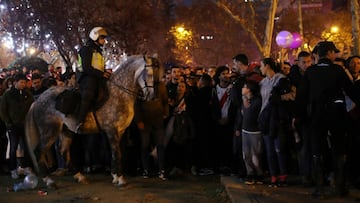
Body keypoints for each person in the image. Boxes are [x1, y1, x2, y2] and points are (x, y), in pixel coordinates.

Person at [295, 41, 360, 198]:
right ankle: (339, 186)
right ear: (330, 53)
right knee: (339, 150)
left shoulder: (310, 72)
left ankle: (320, 189)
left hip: (316, 117)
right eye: (334, 52)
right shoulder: (337, 70)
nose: (335, 55)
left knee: (317, 151)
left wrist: (299, 118)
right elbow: (351, 91)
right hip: (336, 115)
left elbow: (301, 98)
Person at [76, 27, 112, 132]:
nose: (104, 41)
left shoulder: (98, 51)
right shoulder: (86, 49)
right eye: (102, 38)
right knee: (89, 93)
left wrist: (106, 71)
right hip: (87, 77)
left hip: (97, 77)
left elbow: (98, 66)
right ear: (95, 37)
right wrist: (102, 74)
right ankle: (80, 121)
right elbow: (87, 68)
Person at [0, 73, 34, 179]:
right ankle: (13, 169)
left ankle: (26, 166)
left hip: (25, 125)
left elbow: (32, 106)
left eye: (25, 82)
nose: (23, 84)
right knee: (13, 147)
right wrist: (8, 123)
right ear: (16, 82)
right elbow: (3, 110)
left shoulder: (27, 94)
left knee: (27, 147)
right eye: (21, 82)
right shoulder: (8, 94)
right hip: (13, 126)